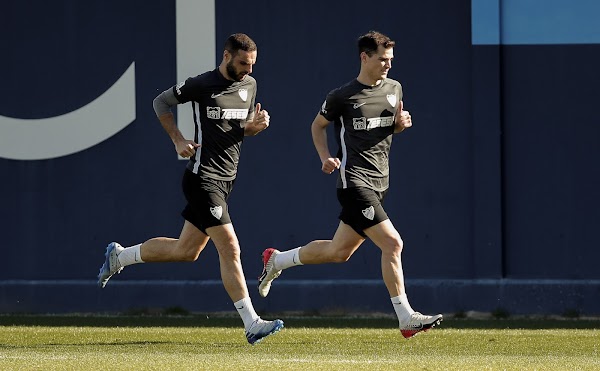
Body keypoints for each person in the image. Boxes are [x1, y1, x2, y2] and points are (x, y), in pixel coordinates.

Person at [97, 33, 283, 345]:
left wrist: (253, 127)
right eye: (242, 63)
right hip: (202, 178)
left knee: (187, 251)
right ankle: (252, 323)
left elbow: (236, 129)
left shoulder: (249, 85)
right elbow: (160, 102)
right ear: (226, 56)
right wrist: (178, 139)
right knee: (231, 248)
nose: (248, 70)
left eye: (252, 64)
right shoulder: (201, 84)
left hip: (226, 180)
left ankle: (120, 257)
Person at [257, 31, 442, 339]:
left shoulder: (395, 89)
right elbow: (317, 126)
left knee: (338, 251)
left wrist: (399, 124)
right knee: (393, 243)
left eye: (391, 60)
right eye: (382, 59)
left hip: (380, 182)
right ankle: (406, 317)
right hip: (354, 182)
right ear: (364, 57)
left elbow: (391, 124)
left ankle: (277, 260)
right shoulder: (342, 96)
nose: (387, 65)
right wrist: (325, 156)